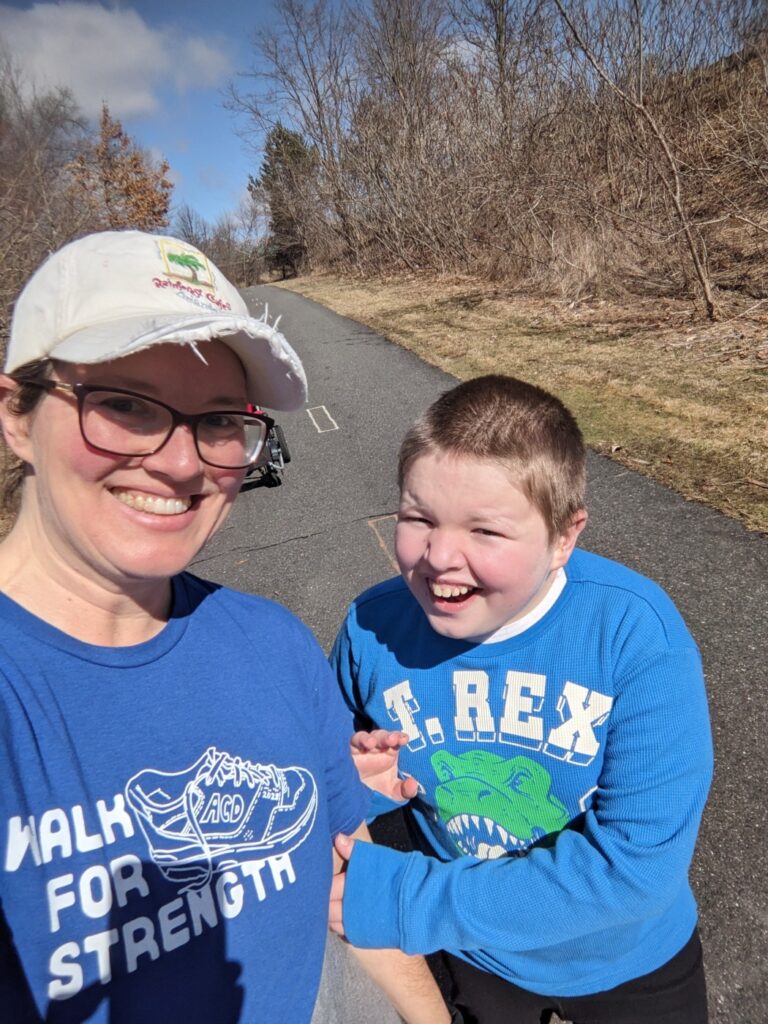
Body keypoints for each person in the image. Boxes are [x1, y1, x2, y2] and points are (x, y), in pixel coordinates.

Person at [0, 230, 449, 1024]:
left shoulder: (271, 643)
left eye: (217, 420)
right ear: (15, 417)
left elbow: (350, 879)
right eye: (126, 404)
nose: (181, 464)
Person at [329, 374, 714, 1024]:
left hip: (628, 961)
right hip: (479, 957)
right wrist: (358, 780)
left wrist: (402, 902)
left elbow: (635, 870)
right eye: (418, 518)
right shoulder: (372, 631)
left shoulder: (634, 634)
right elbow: (332, 783)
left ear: (565, 536)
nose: (440, 556)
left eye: (486, 531)